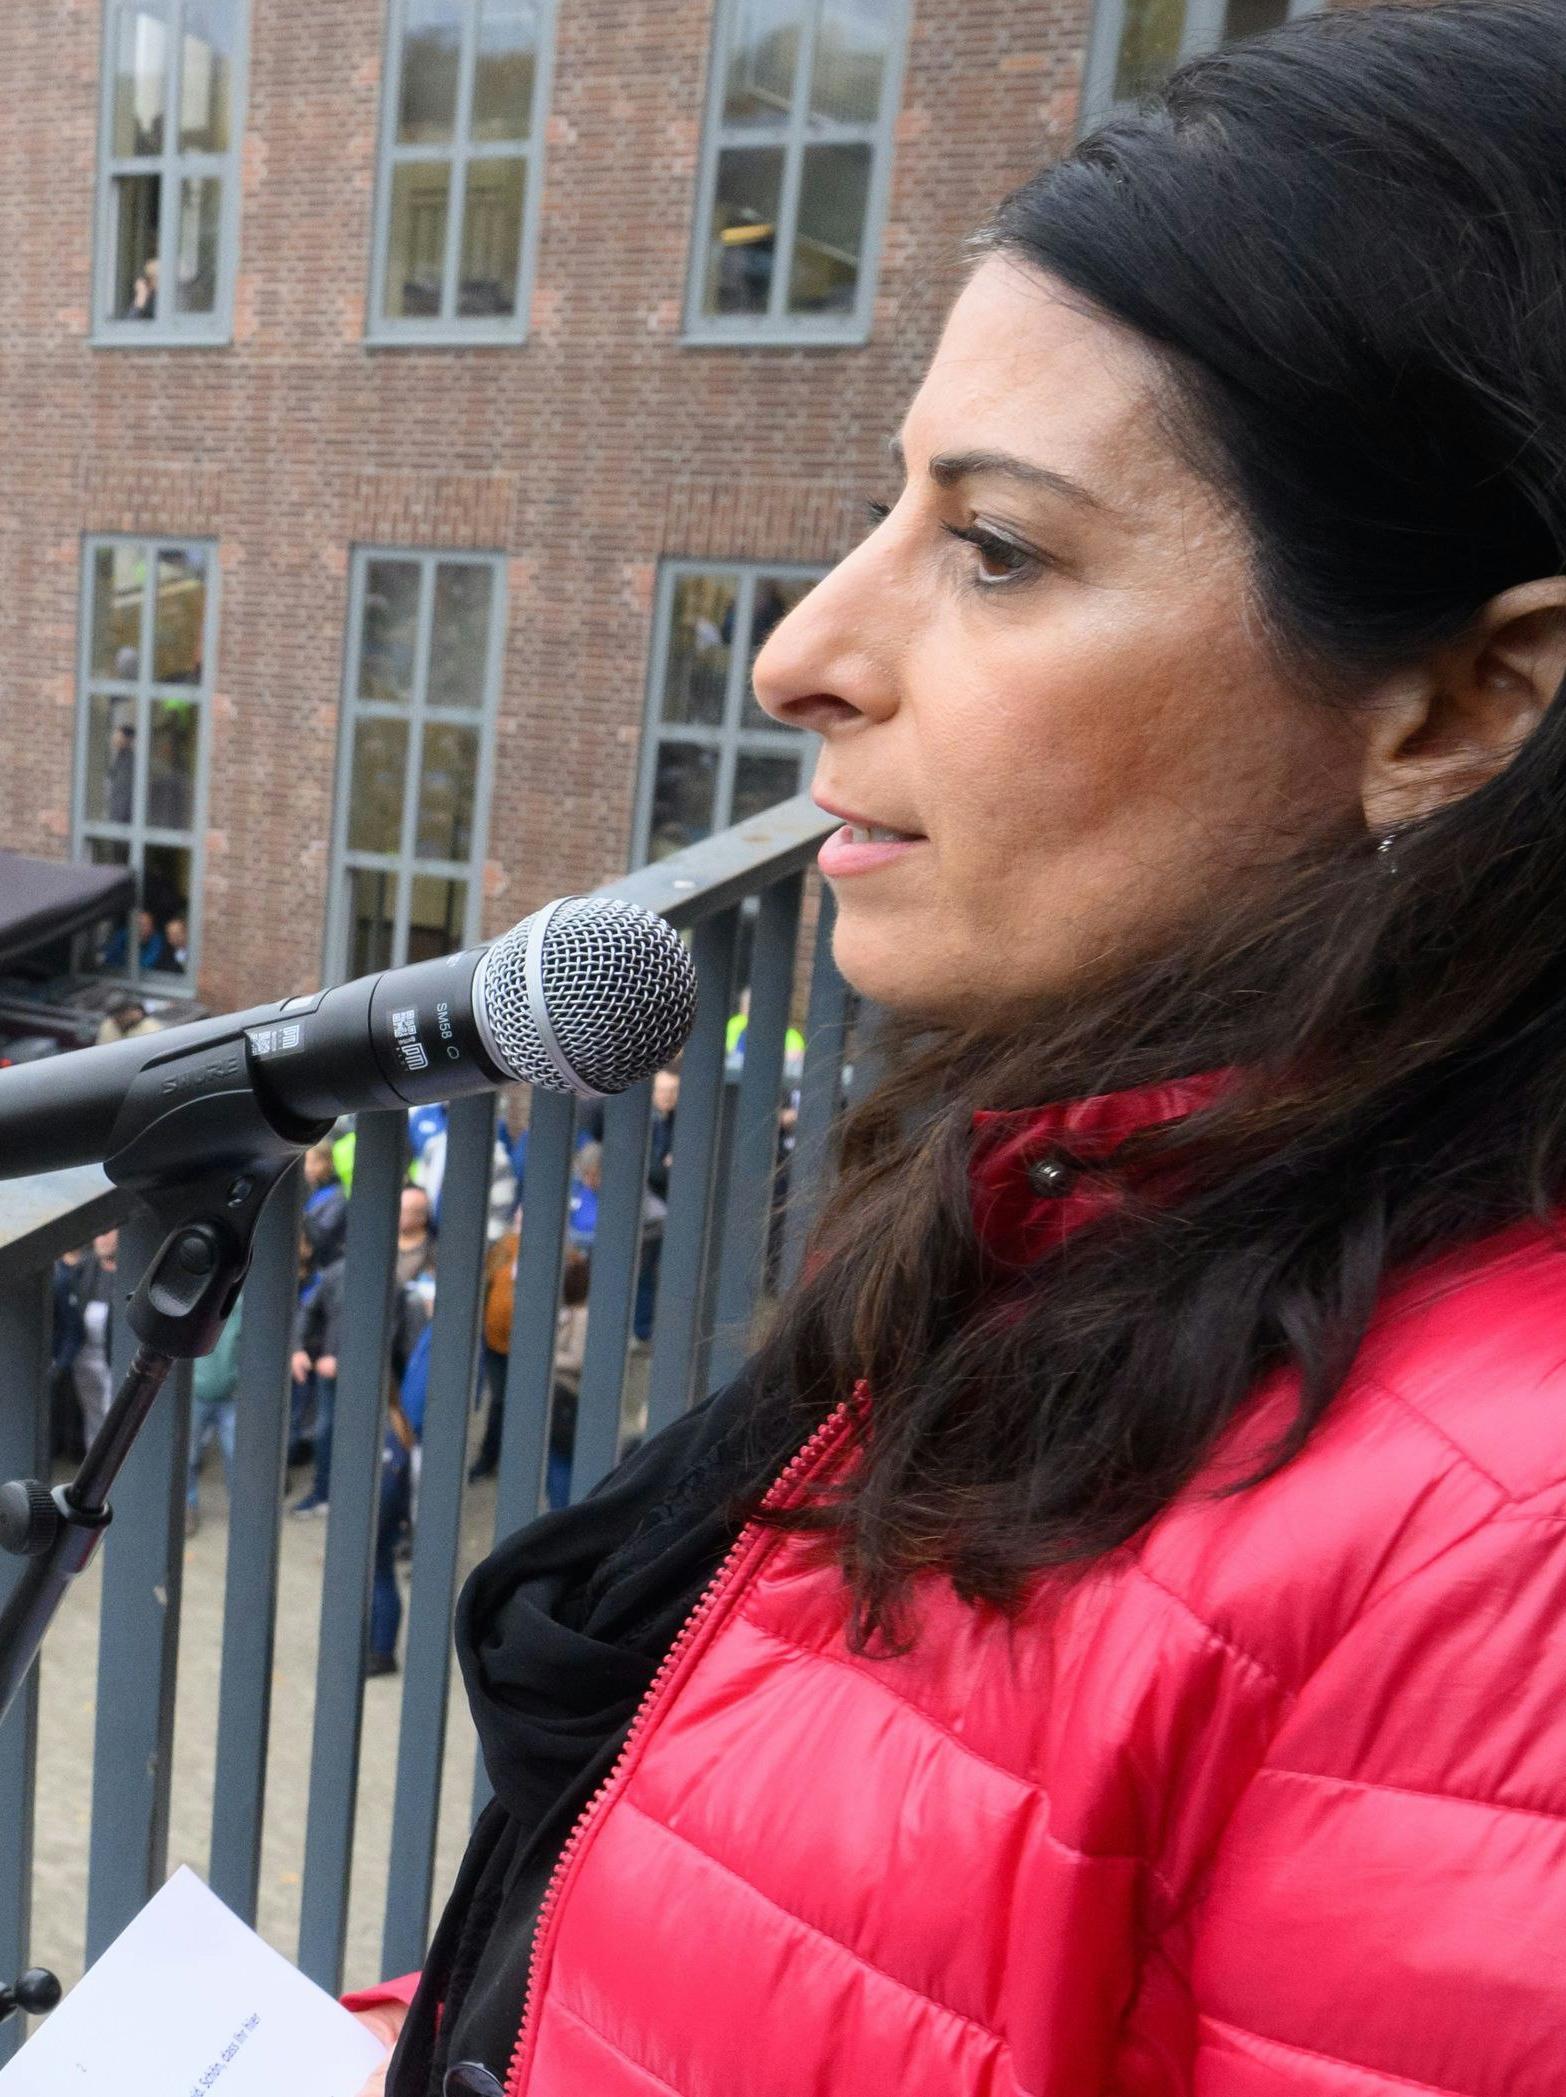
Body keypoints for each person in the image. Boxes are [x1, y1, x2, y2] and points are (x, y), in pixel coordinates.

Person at [358, 15, 1566, 2088]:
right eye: (883, 508)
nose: (801, 650)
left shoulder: (1495, 1571)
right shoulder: (1079, 1187)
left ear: (1461, 706)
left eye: (994, 550)